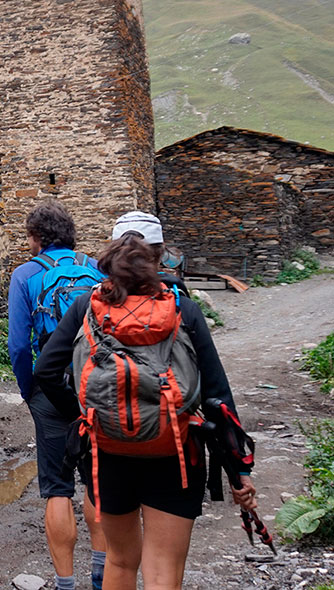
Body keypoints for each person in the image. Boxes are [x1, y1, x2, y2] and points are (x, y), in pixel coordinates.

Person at [33, 213, 257, 590]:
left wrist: (85, 415)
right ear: (160, 256)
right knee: (162, 571)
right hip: (174, 452)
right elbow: (217, 393)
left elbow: (45, 371)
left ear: (113, 252)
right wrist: (239, 472)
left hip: (107, 453)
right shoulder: (182, 310)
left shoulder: (87, 308)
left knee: (119, 563)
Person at [7, 201, 107, 590]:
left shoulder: (26, 274)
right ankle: (101, 574)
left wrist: (28, 388)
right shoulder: (95, 268)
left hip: (49, 388)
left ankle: (65, 583)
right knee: (95, 479)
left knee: (57, 486)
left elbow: (18, 345)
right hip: (93, 384)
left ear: (35, 237)